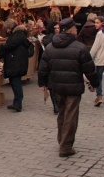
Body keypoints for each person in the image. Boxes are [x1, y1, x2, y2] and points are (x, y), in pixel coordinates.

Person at [38, 17, 98, 158]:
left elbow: (43, 67)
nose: (77, 30)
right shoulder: (80, 48)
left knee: (62, 114)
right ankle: (65, 146)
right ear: (71, 29)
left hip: (56, 86)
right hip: (73, 86)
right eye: (75, 28)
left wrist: (42, 83)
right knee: (71, 115)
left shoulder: (50, 47)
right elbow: (89, 69)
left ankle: (62, 140)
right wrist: (95, 83)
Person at [0, 18, 31, 112]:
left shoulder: (18, 34)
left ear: (10, 27)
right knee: (14, 81)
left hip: (16, 62)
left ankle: (18, 104)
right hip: (16, 62)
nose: (6, 30)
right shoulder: (17, 34)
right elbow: (9, 47)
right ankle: (16, 102)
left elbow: (10, 46)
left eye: (7, 28)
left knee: (15, 81)